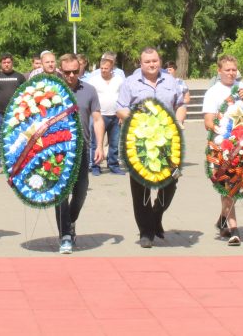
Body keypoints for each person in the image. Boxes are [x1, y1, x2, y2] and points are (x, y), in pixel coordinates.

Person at [115, 48, 187, 248]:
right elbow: (120, 108)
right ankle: (145, 232)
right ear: (141, 63)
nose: (152, 64)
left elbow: (181, 104)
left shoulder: (171, 81)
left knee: (171, 181)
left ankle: (156, 215)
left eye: (155, 60)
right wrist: (138, 122)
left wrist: (178, 120)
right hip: (139, 142)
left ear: (160, 61)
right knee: (141, 188)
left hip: (167, 140)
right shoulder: (130, 82)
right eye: (147, 61)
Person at [202, 54, 243, 247]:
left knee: (239, 184)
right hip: (224, 145)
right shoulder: (213, 92)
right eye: (227, 70)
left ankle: (223, 218)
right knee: (228, 185)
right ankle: (234, 229)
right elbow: (208, 122)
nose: (231, 73)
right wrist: (223, 134)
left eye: (233, 70)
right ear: (219, 71)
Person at [55, 54, 105, 254]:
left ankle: (70, 220)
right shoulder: (52, 90)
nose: (71, 75)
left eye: (76, 71)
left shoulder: (89, 90)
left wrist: (100, 145)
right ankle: (65, 235)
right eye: (67, 72)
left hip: (81, 148)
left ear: (81, 69)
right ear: (61, 70)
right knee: (61, 194)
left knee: (81, 190)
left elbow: (98, 119)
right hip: (56, 151)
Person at [0, 53, 25, 175]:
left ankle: (12, 164)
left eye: (8, 62)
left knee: (14, 140)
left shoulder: (19, 77)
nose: (6, 64)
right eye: (4, 62)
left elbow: (25, 94)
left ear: (12, 63)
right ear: (1, 64)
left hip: (14, 115)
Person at [88, 52, 124, 176]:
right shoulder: (93, 80)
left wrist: (122, 114)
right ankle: (96, 166)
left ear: (112, 68)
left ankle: (113, 165)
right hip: (99, 116)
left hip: (115, 116)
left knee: (114, 143)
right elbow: (90, 98)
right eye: (101, 68)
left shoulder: (119, 80)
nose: (103, 71)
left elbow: (123, 98)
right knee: (96, 142)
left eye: (106, 69)